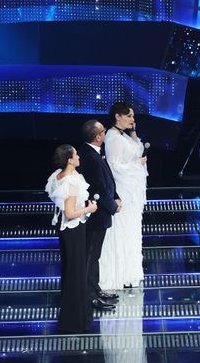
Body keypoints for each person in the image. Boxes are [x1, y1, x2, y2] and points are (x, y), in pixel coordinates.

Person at [45, 144, 98, 334]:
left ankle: (74, 317)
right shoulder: (71, 181)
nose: (79, 157)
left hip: (66, 230)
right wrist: (88, 209)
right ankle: (74, 320)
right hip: (73, 229)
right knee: (75, 272)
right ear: (69, 159)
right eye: (76, 155)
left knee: (71, 271)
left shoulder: (58, 176)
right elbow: (69, 212)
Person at [98, 101, 148, 290]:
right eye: (128, 116)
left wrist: (133, 131)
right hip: (123, 190)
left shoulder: (123, 135)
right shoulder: (113, 137)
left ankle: (129, 272)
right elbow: (114, 167)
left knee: (131, 230)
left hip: (132, 191)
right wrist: (137, 164)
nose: (132, 119)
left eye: (133, 116)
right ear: (117, 116)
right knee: (122, 229)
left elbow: (137, 148)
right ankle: (117, 273)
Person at [76, 119, 121, 311]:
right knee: (90, 256)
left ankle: (95, 288)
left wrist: (116, 197)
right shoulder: (89, 156)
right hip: (95, 216)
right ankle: (90, 296)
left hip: (100, 214)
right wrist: (112, 206)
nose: (105, 133)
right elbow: (98, 187)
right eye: (103, 130)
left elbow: (107, 181)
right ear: (98, 136)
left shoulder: (93, 153)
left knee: (94, 255)